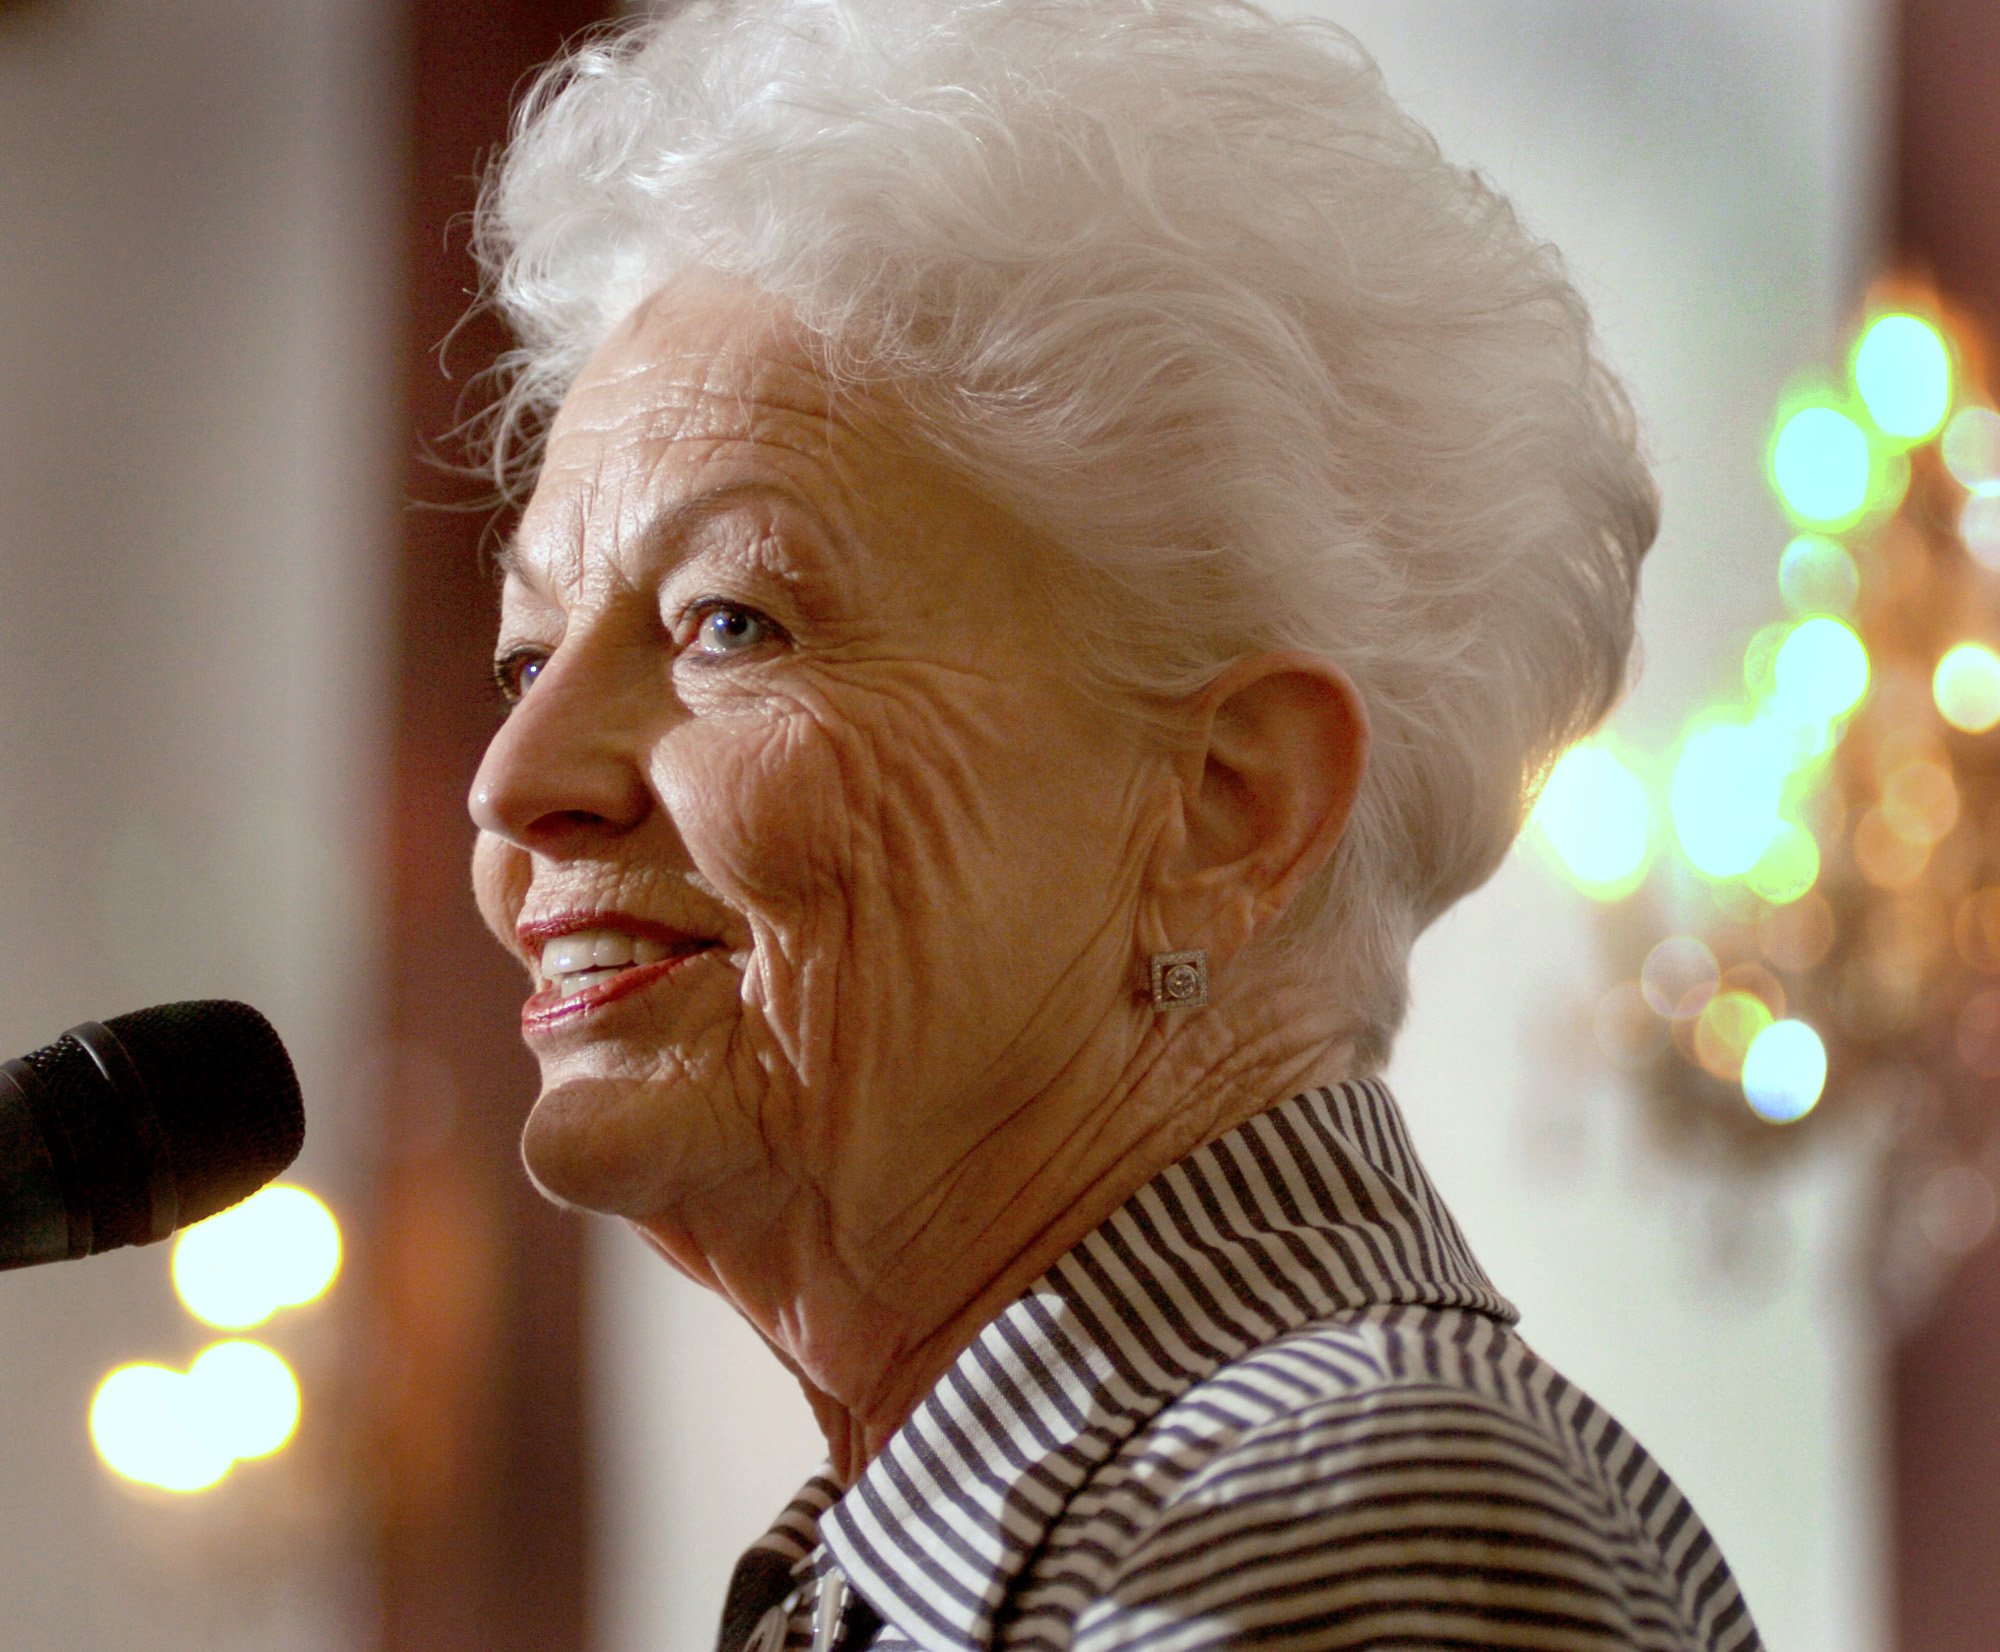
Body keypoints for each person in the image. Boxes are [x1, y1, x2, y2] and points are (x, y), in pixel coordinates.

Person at [464, 2, 1761, 1647]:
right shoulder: (985, 1547)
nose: (513, 779)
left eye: (732, 623)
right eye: (525, 651)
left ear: (1230, 810)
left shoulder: (1323, 1523)